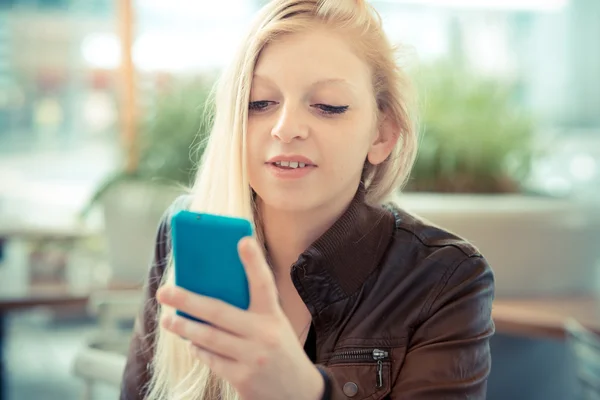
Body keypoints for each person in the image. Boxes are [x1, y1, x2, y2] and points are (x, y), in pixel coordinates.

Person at [120, 0, 495, 399]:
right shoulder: (186, 232)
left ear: (382, 134)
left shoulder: (445, 278)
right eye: (260, 103)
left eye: (328, 106)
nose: (286, 128)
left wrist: (302, 391)